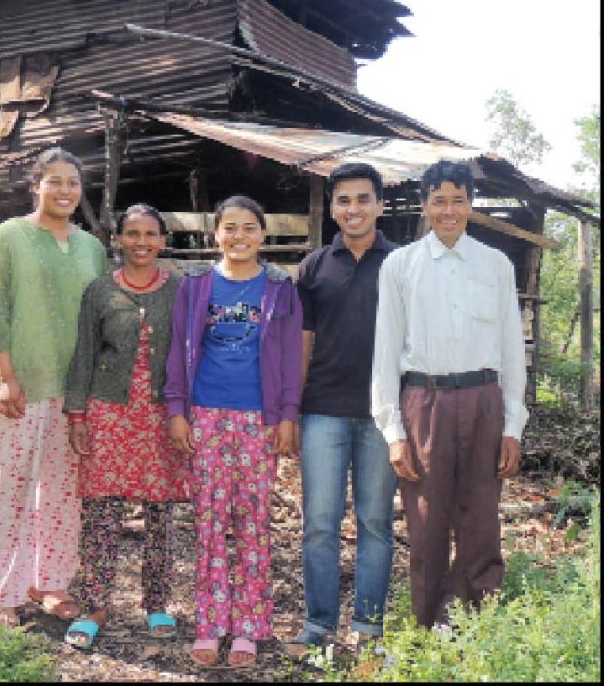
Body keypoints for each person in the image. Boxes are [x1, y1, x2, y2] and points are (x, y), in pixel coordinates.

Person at [371, 159, 528, 630]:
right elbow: (385, 350)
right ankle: (429, 626)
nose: (448, 210)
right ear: (424, 205)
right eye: (438, 201)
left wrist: (513, 426)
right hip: (425, 401)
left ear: (471, 205)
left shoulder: (495, 265)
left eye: (458, 200)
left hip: (483, 400)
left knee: (481, 519)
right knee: (427, 520)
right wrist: (393, 432)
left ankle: (474, 624)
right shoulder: (400, 266)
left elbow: (511, 349)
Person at [0, 146, 108, 627]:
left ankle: (49, 582)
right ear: (35, 186)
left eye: (73, 182)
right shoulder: (7, 237)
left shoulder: (90, 248)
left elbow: (98, 319)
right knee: (10, 487)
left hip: (72, 389)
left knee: (63, 492)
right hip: (21, 385)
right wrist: (6, 378)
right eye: (55, 181)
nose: (65, 191)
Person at [165, 195, 303, 668]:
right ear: (216, 234)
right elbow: (179, 349)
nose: (239, 236)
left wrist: (287, 415)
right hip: (205, 416)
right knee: (210, 521)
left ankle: (248, 626)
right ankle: (210, 623)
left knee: (253, 523)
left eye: (248, 228)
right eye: (230, 227)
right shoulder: (196, 285)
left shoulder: (279, 288)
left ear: (262, 235)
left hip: (258, 420)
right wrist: (177, 409)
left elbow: (290, 357)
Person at [62, 204, 188, 648]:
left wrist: (187, 412)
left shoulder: (180, 290)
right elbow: (83, 354)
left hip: (161, 415)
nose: (141, 242)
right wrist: (77, 414)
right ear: (117, 240)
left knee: (160, 512)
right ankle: (94, 604)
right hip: (109, 412)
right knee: (101, 512)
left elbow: (191, 351)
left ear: (163, 241)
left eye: (150, 234)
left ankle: (157, 603)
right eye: (132, 234)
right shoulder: (100, 290)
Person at [287, 163, 399, 658]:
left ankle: (369, 629)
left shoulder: (400, 263)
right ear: (333, 207)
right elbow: (302, 342)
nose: (353, 209)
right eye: (344, 200)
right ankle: (318, 625)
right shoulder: (314, 267)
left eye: (363, 199)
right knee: (319, 523)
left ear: (380, 205)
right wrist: (292, 410)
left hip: (383, 414)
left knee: (375, 523)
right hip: (323, 411)